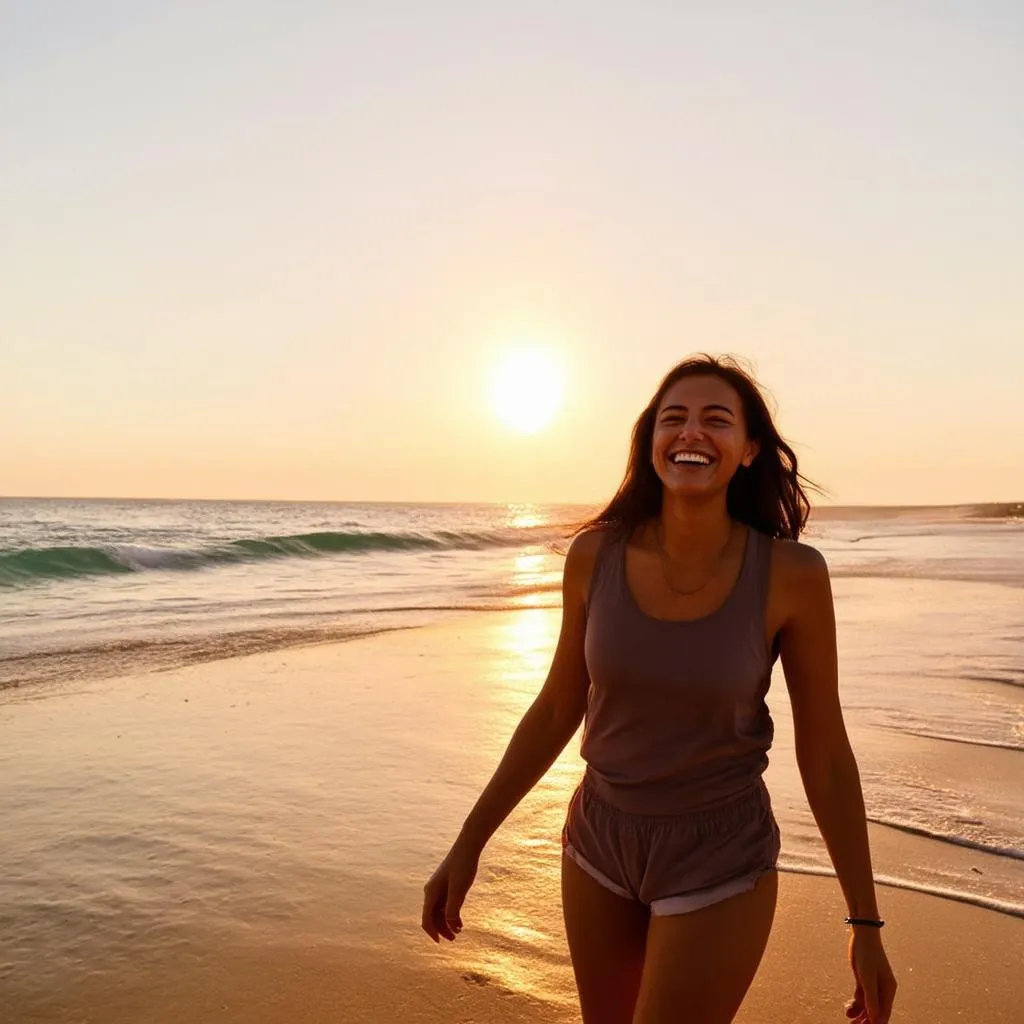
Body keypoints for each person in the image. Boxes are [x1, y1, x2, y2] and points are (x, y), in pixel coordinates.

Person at [422, 354, 897, 1024]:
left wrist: (866, 924)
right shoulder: (595, 556)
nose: (690, 433)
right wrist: (468, 842)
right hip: (598, 847)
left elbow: (824, 752)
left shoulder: (791, 576)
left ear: (749, 449)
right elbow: (560, 705)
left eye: (716, 420)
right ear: (650, 446)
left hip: (720, 857)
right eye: (672, 419)